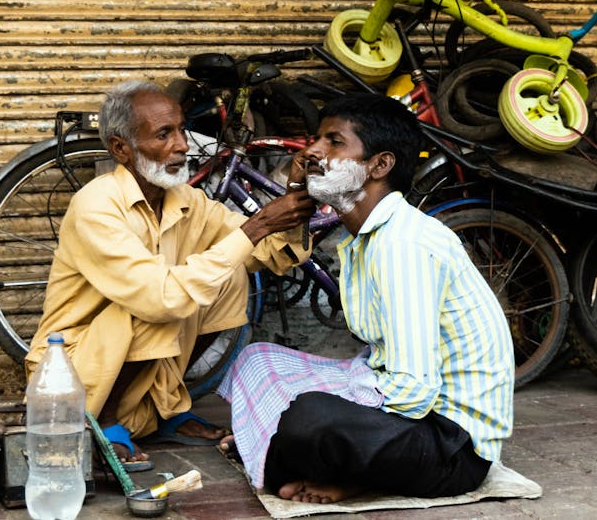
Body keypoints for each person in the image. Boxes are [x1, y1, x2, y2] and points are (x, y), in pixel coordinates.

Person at [217, 92, 515, 503]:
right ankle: (296, 454)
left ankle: (326, 465)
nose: (313, 152)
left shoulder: (403, 245)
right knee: (257, 360)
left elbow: (413, 390)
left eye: (334, 142)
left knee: (307, 416)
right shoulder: (368, 237)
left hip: (451, 447)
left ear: (380, 164)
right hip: (412, 415)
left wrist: (304, 406)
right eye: (315, 139)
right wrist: (296, 191)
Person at [24, 79, 315, 470]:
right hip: (75, 375)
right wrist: (257, 224)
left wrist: (295, 195)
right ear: (121, 149)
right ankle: (105, 423)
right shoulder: (96, 205)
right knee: (162, 301)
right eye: (164, 134)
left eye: (181, 129)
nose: (183, 145)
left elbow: (267, 255)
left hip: (138, 366)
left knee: (230, 276)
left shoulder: (185, 199)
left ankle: (164, 407)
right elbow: (160, 299)